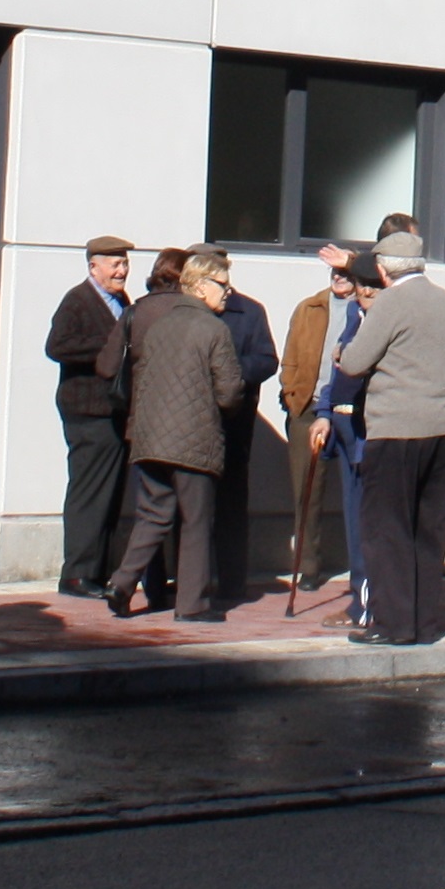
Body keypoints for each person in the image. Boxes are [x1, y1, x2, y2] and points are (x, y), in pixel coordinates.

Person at [330, 237, 445, 644]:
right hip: (443, 430)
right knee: (429, 530)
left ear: (382, 269)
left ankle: (393, 624)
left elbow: (355, 361)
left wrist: (341, 352)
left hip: (394, 430)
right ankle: (423, 624)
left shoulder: (390, 304)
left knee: (387, 529)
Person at [108, 251, 248, 622]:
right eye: (222, 285)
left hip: (150, 439)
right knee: (196, 521)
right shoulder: (214, 329)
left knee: (152, 516)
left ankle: (121, 583)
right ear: (200, 287)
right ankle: (192, 605)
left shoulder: (159, 326)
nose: (228, 292)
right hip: (194, 441)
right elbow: (229, 393)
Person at [45, 237, 136, 597]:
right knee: (89, 492)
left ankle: (99, 571)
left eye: (124, 264)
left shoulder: (122, 302)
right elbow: (57, 346)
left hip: (114, 411)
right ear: (93, 267)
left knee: (111, 494)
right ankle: (76, 574)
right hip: (87, 412)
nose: (122, 271)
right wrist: (111, 346)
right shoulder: (78, 300)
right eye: (114, 264)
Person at [278, 250, 367, 606]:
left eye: (345, 272)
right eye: (334, 272)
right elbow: (290, 357)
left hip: (350, 411)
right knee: (307, 491)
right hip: (308, 408)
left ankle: (362, 567)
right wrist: (291, 394)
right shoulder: (309, 308)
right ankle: (308, 567)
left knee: (356, 490)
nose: (339, 277)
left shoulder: (366, 309)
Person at [203, 246, 279, 603]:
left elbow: (266, 359)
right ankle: (189, 581)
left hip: (234, 425)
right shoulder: (181, 312)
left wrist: (230, 375)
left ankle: (231, 583)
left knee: (231, 505)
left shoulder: (249, 311)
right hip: (190, 427)